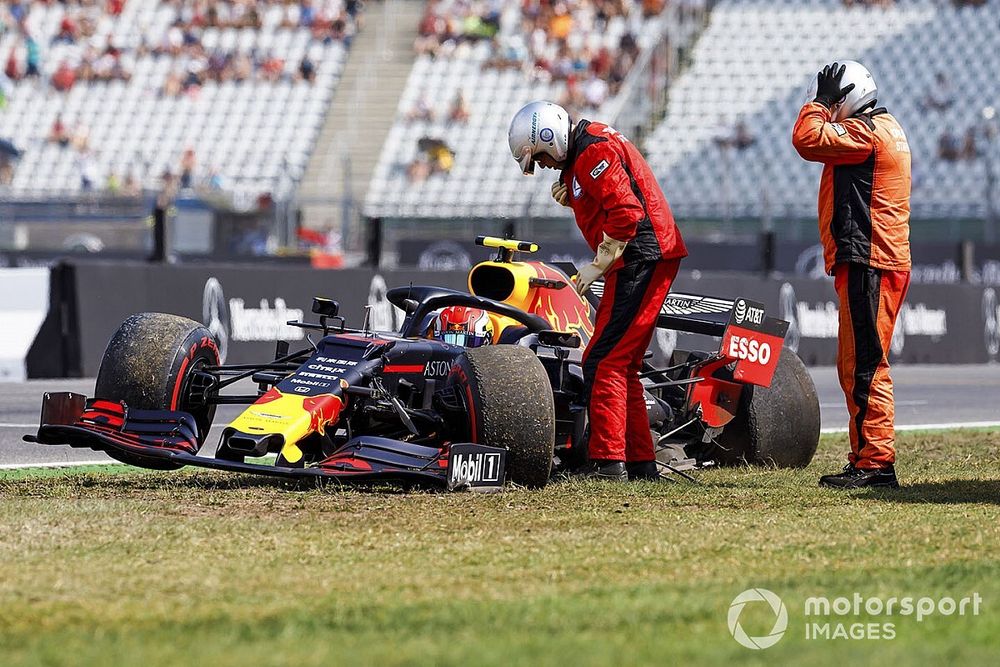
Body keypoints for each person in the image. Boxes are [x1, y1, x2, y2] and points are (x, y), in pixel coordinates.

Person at [507, 101, 688, 481]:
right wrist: (576, 192)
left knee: (602, 361)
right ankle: (640, 463)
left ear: (549, 139)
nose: (542, 166)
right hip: (647, 255)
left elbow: (626, 213)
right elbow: (607, 198)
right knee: (623, 365)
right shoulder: (587, 150)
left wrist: (598, 264)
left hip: (639, 257)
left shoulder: (593, 152)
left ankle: (609, 463)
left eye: (540, 158)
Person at [792, 61, 911, 489]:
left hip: (871, 259)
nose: (827, 110)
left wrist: (818, 104)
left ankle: (876, 463)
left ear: (846, 97)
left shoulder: (868, 132)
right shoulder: (881, 127)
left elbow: (806, 139)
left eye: (831, 101)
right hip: (875, 258)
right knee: (857, 363)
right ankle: (867, 457)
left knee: (865, 366)